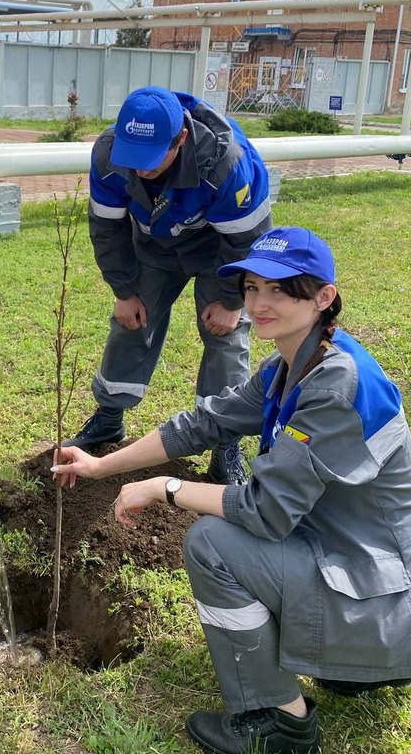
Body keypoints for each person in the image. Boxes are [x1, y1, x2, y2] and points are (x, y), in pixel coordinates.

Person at [53, 227, 411, 754]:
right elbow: (203, 423)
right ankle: (348, 666)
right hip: (373, 581)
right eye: (253, 287)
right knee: (228, 528)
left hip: (393, 606)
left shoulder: (335, 384)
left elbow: (265, 510)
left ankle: (281, 725)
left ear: (324, 298)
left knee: (213, 541)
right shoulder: (296, 364)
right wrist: (102, 466)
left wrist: (167, 487)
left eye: (280, 289)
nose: (259, 303)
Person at [64, 86, 272, 486]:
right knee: (131, 321)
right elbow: (106, 229)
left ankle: (224, 444)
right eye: (133, 157)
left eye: (151, 157)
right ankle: (109, 419)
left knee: (225, 336)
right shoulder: (109, 155)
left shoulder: (227, 166)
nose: (140, 168)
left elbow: (246, 241)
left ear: (180, 139)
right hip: (155, 244)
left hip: (221, 251)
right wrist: (123, 290)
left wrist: (231, 300)